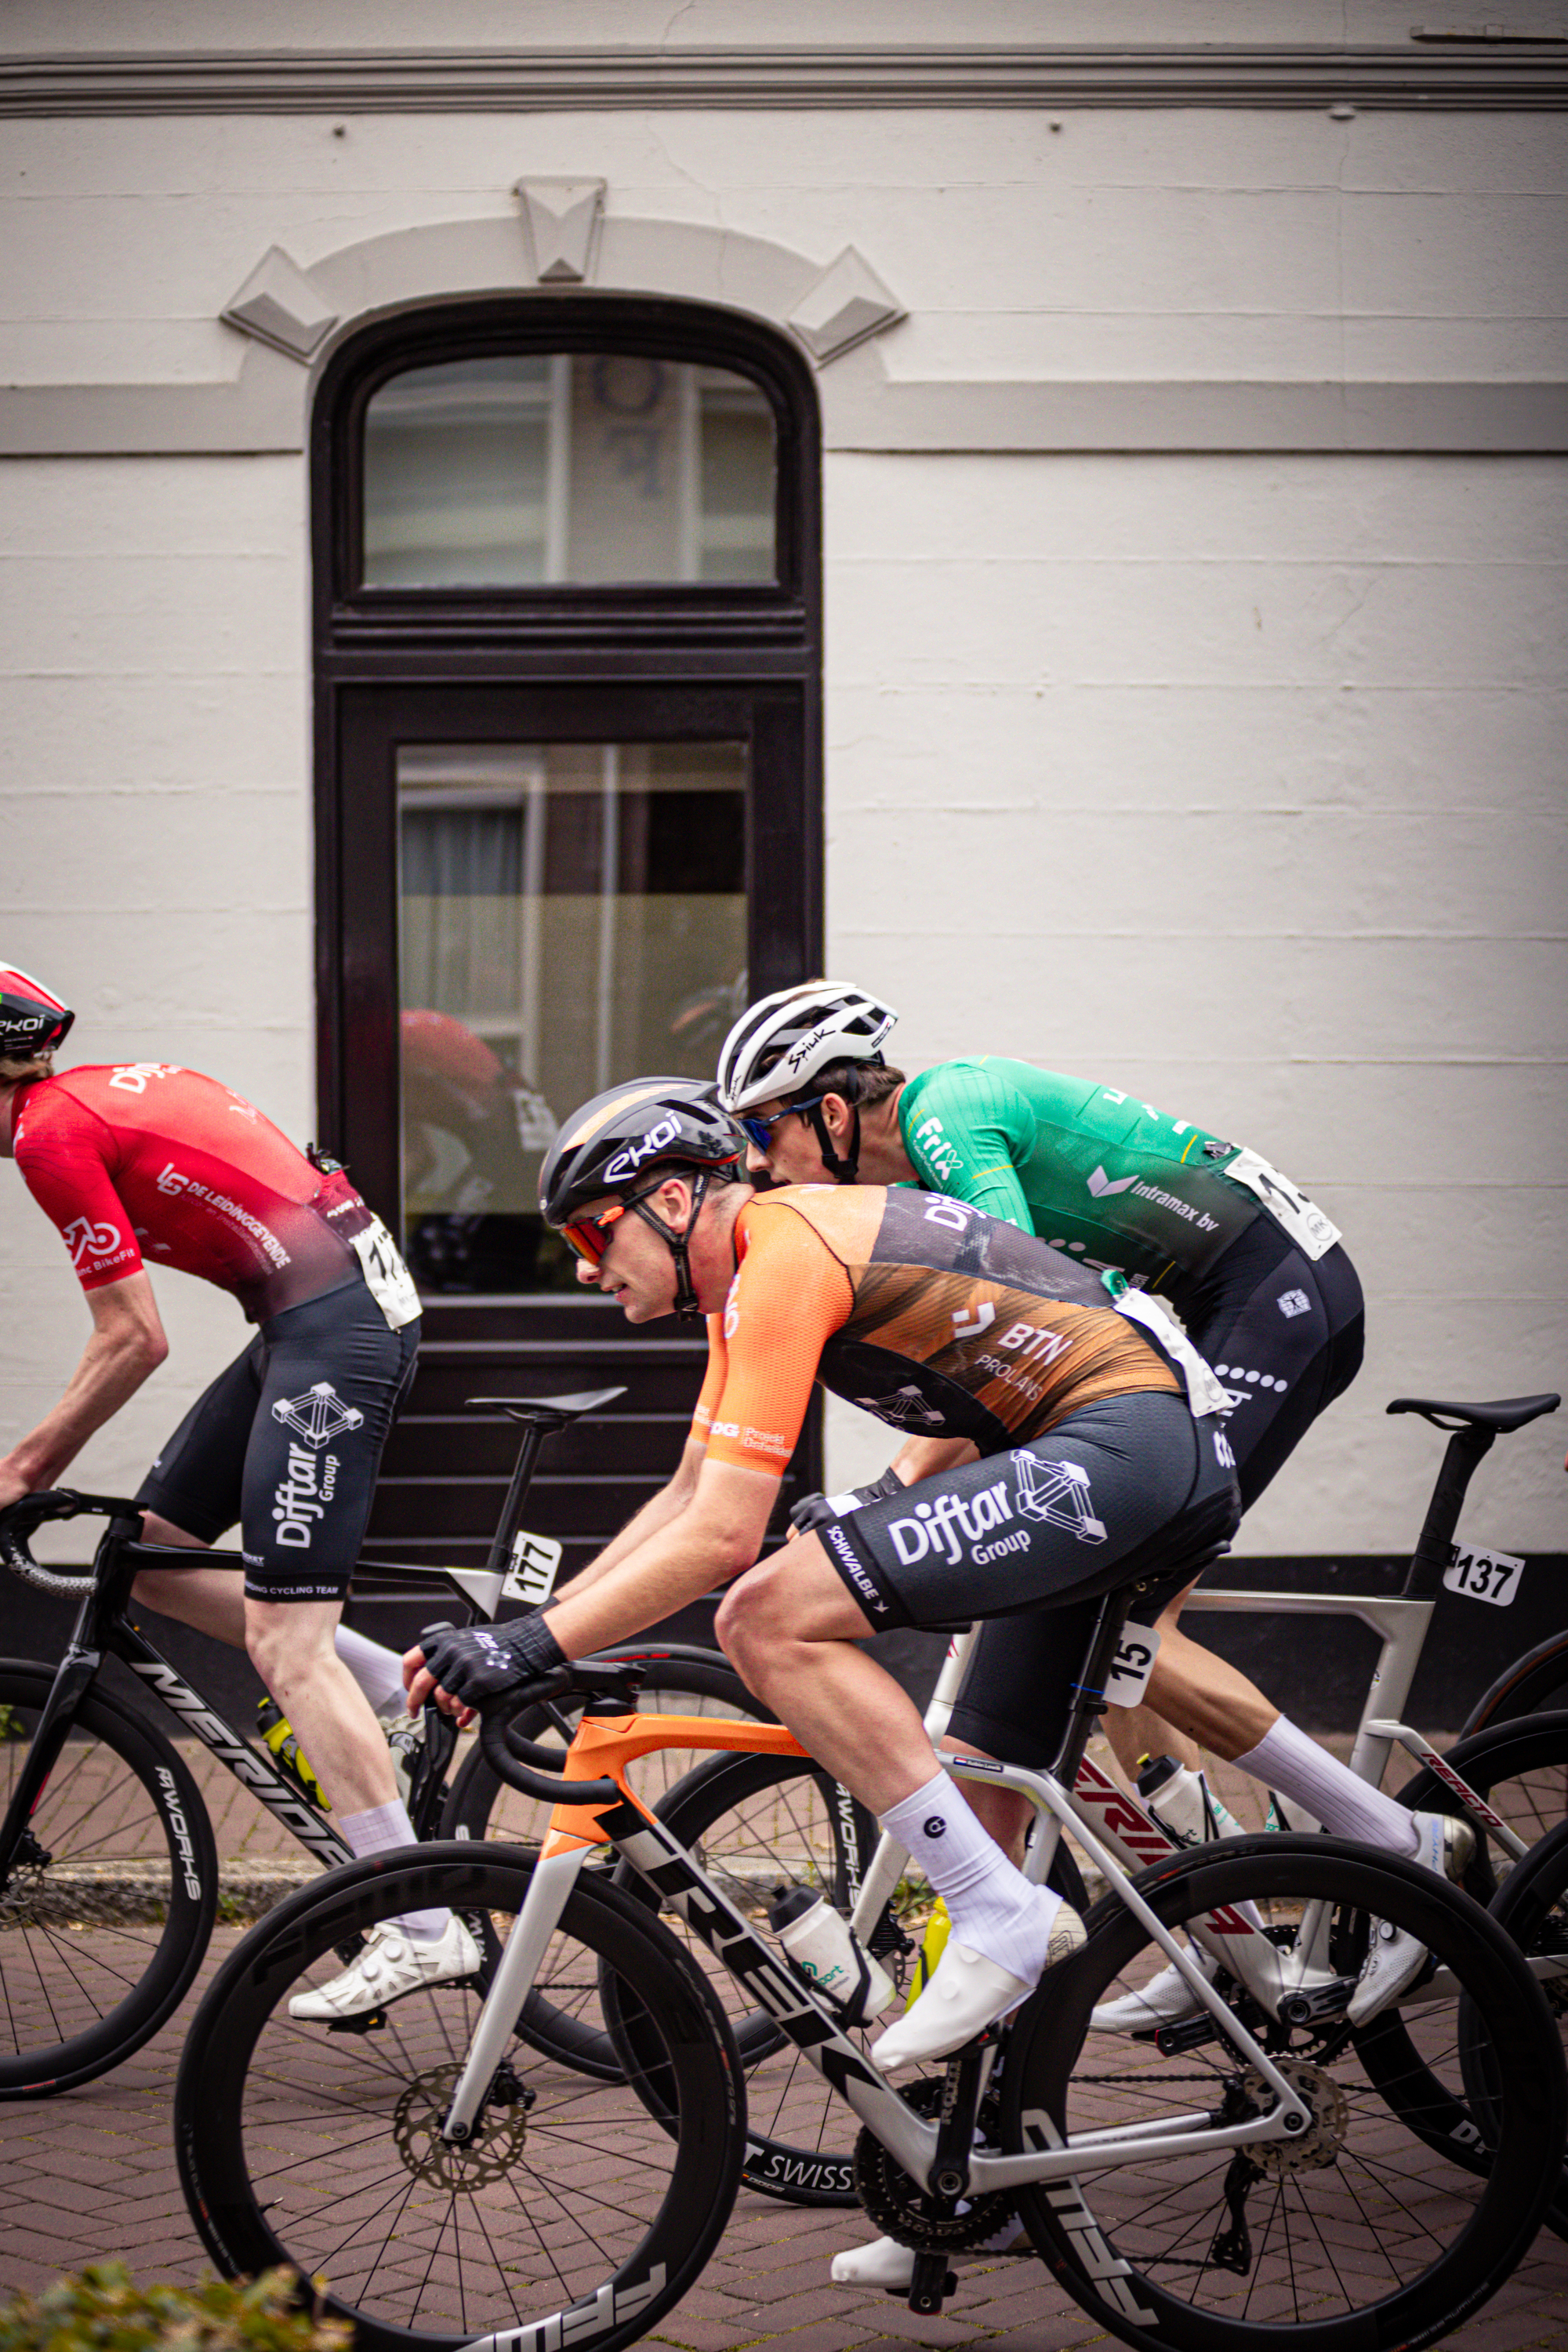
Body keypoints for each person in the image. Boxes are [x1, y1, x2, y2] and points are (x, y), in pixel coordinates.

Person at [405, 1077, 1463, 2071]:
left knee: (765, 1617)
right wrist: (536, 1625)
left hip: (1130, 1447)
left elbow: (725, 1542)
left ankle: (1006, 1916)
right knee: (974, 1781)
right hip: (1129, 1447)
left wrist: (528, 1645)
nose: (589, 1269)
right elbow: (689, 1495)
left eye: (596, 1233)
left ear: (674, 1198)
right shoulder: (747, 1274)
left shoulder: (781, 1252)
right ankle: (970, 2184)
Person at [0, 964, 477, 2017]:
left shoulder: (47, 1136)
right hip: (312, 1317)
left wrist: (22, 1473)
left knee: (284, 1642)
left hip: (331, 1328)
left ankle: (421, 1926)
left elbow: (134, 1337)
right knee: (159, 1554)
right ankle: (394, 1694)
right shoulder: (87, 1097)